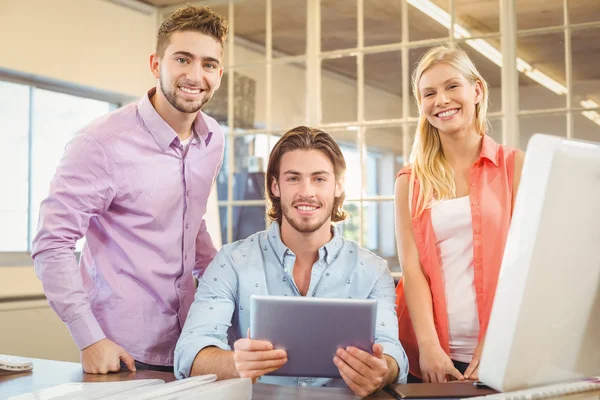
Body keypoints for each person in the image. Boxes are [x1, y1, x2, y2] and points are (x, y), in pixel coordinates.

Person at [31, 5, 228, 374]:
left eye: (208, 64)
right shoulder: (101, 143)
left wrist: (227, 283)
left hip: (194, 341)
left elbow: (191, 222)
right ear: (156, 64)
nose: (195, 75)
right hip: (122, 350)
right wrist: (89, 338)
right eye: (182, 59)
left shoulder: (213, 139)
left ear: (219, 73)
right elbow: (51, 243)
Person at [174, 126, 409, 397]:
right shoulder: (232, 262)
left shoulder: (372, 270)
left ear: (338, 186)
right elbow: (189, 352)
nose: (306, 192)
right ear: (275, 186)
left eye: (319, 179)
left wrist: (382, 370)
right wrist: (233, 363)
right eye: (293, 178)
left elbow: (393, 353)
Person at [394, 45, 524, 383]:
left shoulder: (515, 166)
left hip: (504, 346)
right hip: (434, 355)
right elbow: (412, 268)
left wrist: (495, 336)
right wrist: (429, 347)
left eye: (452, 86)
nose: (441, 100)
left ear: (476, 90)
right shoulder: (410, 181)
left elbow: (527, 262)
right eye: (429, 93)